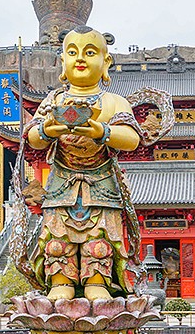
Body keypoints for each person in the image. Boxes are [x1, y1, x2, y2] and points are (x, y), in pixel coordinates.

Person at [22, 26, 144, 301]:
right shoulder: (54, 100)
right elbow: (32, 137)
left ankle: (98, 281)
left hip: (101, 184)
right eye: (72, 52)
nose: (80, 59)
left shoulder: (114, 102)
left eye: (90, 53)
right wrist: (49, 131)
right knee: (57, 239)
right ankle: (60, 280)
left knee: (99, 240)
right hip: (61, 184)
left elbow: (132, 138)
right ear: (62, 61)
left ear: (106, 62)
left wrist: (102, 132)